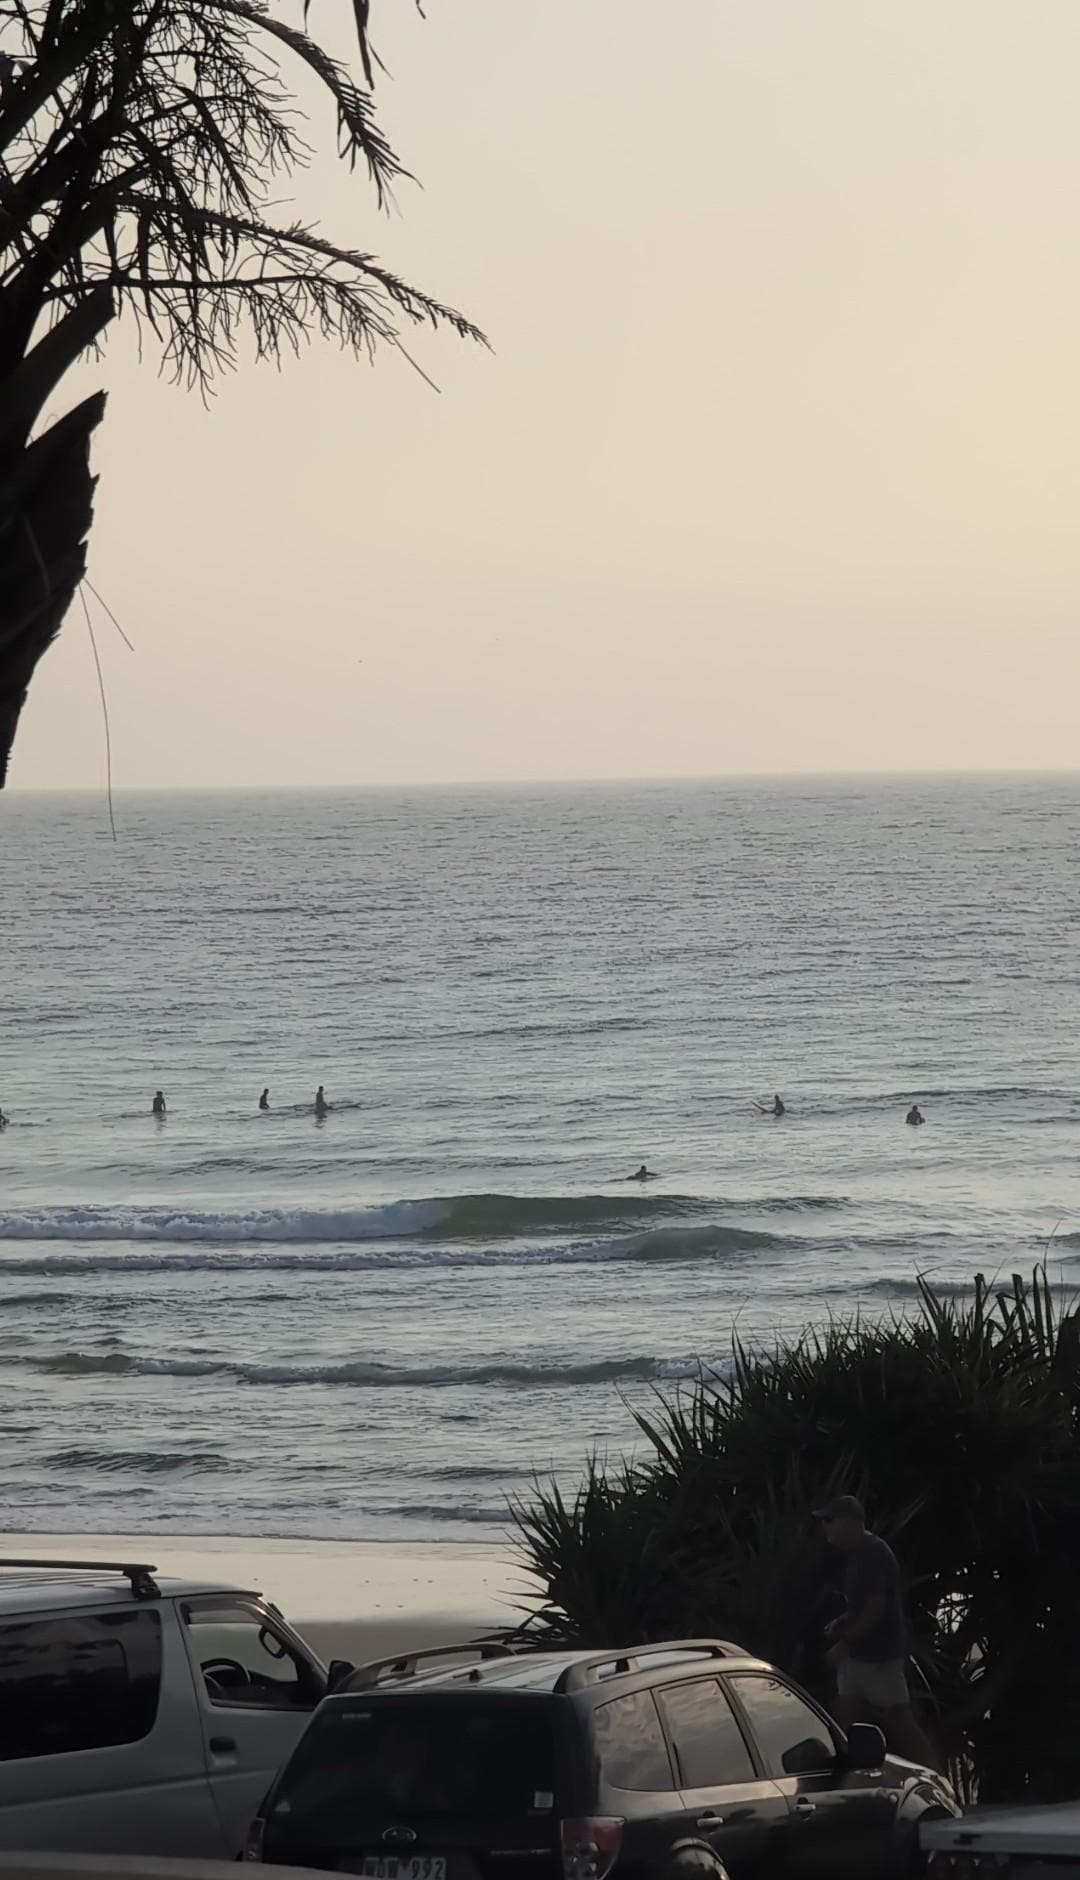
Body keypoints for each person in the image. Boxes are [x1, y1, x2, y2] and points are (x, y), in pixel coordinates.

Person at [816, 1493, 937, 1767]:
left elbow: (876, 1608)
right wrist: (843, 1620)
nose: (826, 1527)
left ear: (850, 1522)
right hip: (861, 1657)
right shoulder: (859, 1555)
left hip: (879, 1657)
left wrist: (844, 1643)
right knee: (843, 1715)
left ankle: (939, 1781)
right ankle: (844, 1777)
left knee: (899, 1721)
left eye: (830, 1520)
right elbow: (866, 1604)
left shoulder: (873, 1554)